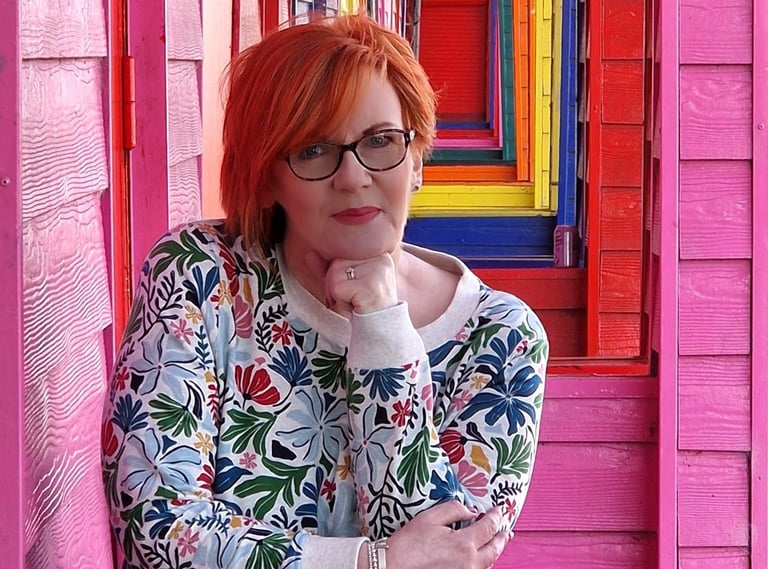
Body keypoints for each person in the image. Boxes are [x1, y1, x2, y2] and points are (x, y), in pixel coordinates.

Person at [102, 11, 548, 569]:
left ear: (416, 160)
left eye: (381, 142)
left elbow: (448, 550)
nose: (354, 176)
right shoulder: (202, 277)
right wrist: (373, 562)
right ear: (266, 176)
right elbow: (157, 528)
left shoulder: (501, 337)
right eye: (314, 150)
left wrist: (384, 330)